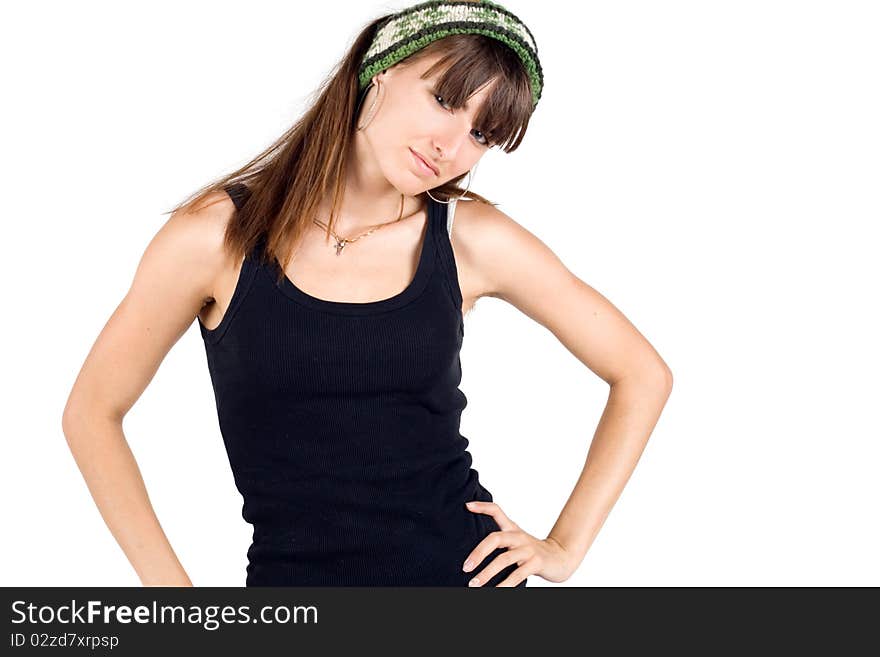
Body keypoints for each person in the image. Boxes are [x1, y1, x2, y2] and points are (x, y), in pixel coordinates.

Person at [62, 0, 673, 587]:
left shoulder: (473, 239)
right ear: (378, 70)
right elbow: (92, 413)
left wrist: (563, 547)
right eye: (443, 101)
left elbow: (642, 373)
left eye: (482, 135)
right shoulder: (214, 238)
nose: (451, 147)